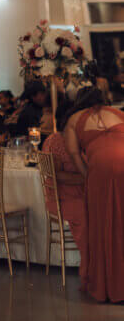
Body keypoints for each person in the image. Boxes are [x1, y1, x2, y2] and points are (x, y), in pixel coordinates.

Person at [64, 85, 124, 302]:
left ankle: (111, 286)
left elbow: (74, 154)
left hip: (101, 169)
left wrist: (89, 175)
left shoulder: (73, 120)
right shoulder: (118, 113)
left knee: (104, 224)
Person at [42, 102, 87, 285]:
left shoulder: (79, 139)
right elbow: (56, 175)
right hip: (62, 197)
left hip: (80, 193)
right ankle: (91, 272)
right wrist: (87, 179)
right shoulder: (56, 140)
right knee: (89, 218)